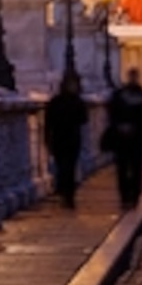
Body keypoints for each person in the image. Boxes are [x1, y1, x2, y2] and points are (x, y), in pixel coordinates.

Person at [104, 68, 142, 210]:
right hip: (126, 138)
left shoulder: (120, 96)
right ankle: (127, 196)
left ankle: (132, 195)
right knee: (125, 168)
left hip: (134, 138)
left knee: (134, 168)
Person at [40, 75, 87, 208]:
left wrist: (47, 139)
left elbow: (48, 123)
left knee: (62, 166)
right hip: (71, 138)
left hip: (59, 138)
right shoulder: (77, 101)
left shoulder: (55, 102)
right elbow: (84, 119)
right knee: (69, 167)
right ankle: (68, 195)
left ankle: (64, 192)